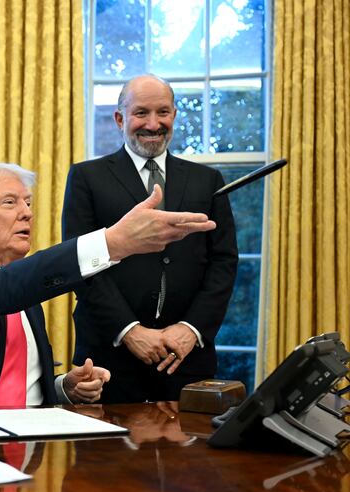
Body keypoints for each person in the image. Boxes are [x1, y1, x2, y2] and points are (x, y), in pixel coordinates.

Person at [0, 162, 218, 409]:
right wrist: (111, 242)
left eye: (28, 203)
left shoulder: (26, 291)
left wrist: (63, 388)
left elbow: (17, 381)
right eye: (10, 202)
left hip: (25, 442)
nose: (27, 213)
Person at [62, 74, 238, 403]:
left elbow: (223, 263)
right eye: (141, 113)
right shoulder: (87, 178)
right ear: (120, 119)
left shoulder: (208, 180)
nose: (153, 124)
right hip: (109, 357)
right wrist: (129, 330)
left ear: (174, 115)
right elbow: (81, 263)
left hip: (185, 358)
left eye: (163, 112)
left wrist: (191, 329)